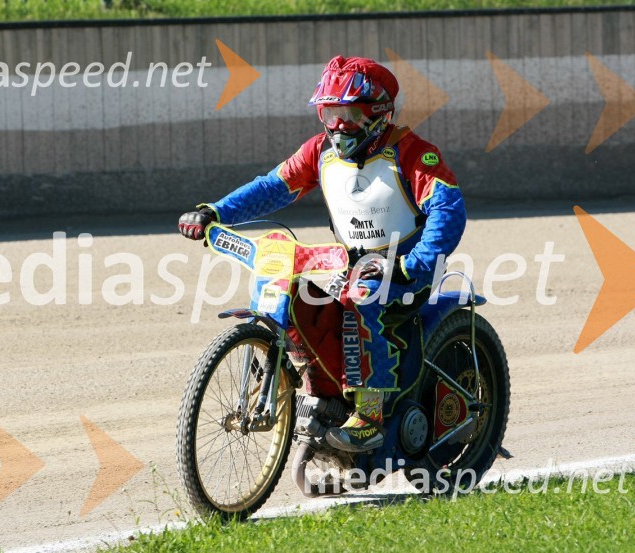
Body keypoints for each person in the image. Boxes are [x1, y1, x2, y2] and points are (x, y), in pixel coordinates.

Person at [178, 55, 466, 452]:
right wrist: (215, 211)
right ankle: (315, 390)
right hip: (347, 265)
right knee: (299, 298)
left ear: (377, 113)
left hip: (406, 272)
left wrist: (412, 266)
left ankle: (370, 415)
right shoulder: (319, 152)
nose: (337, 126)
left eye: (347, 114)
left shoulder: (414, 153)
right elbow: (271, 187)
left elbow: (448, 211)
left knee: (363, 295)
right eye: (329, 114)